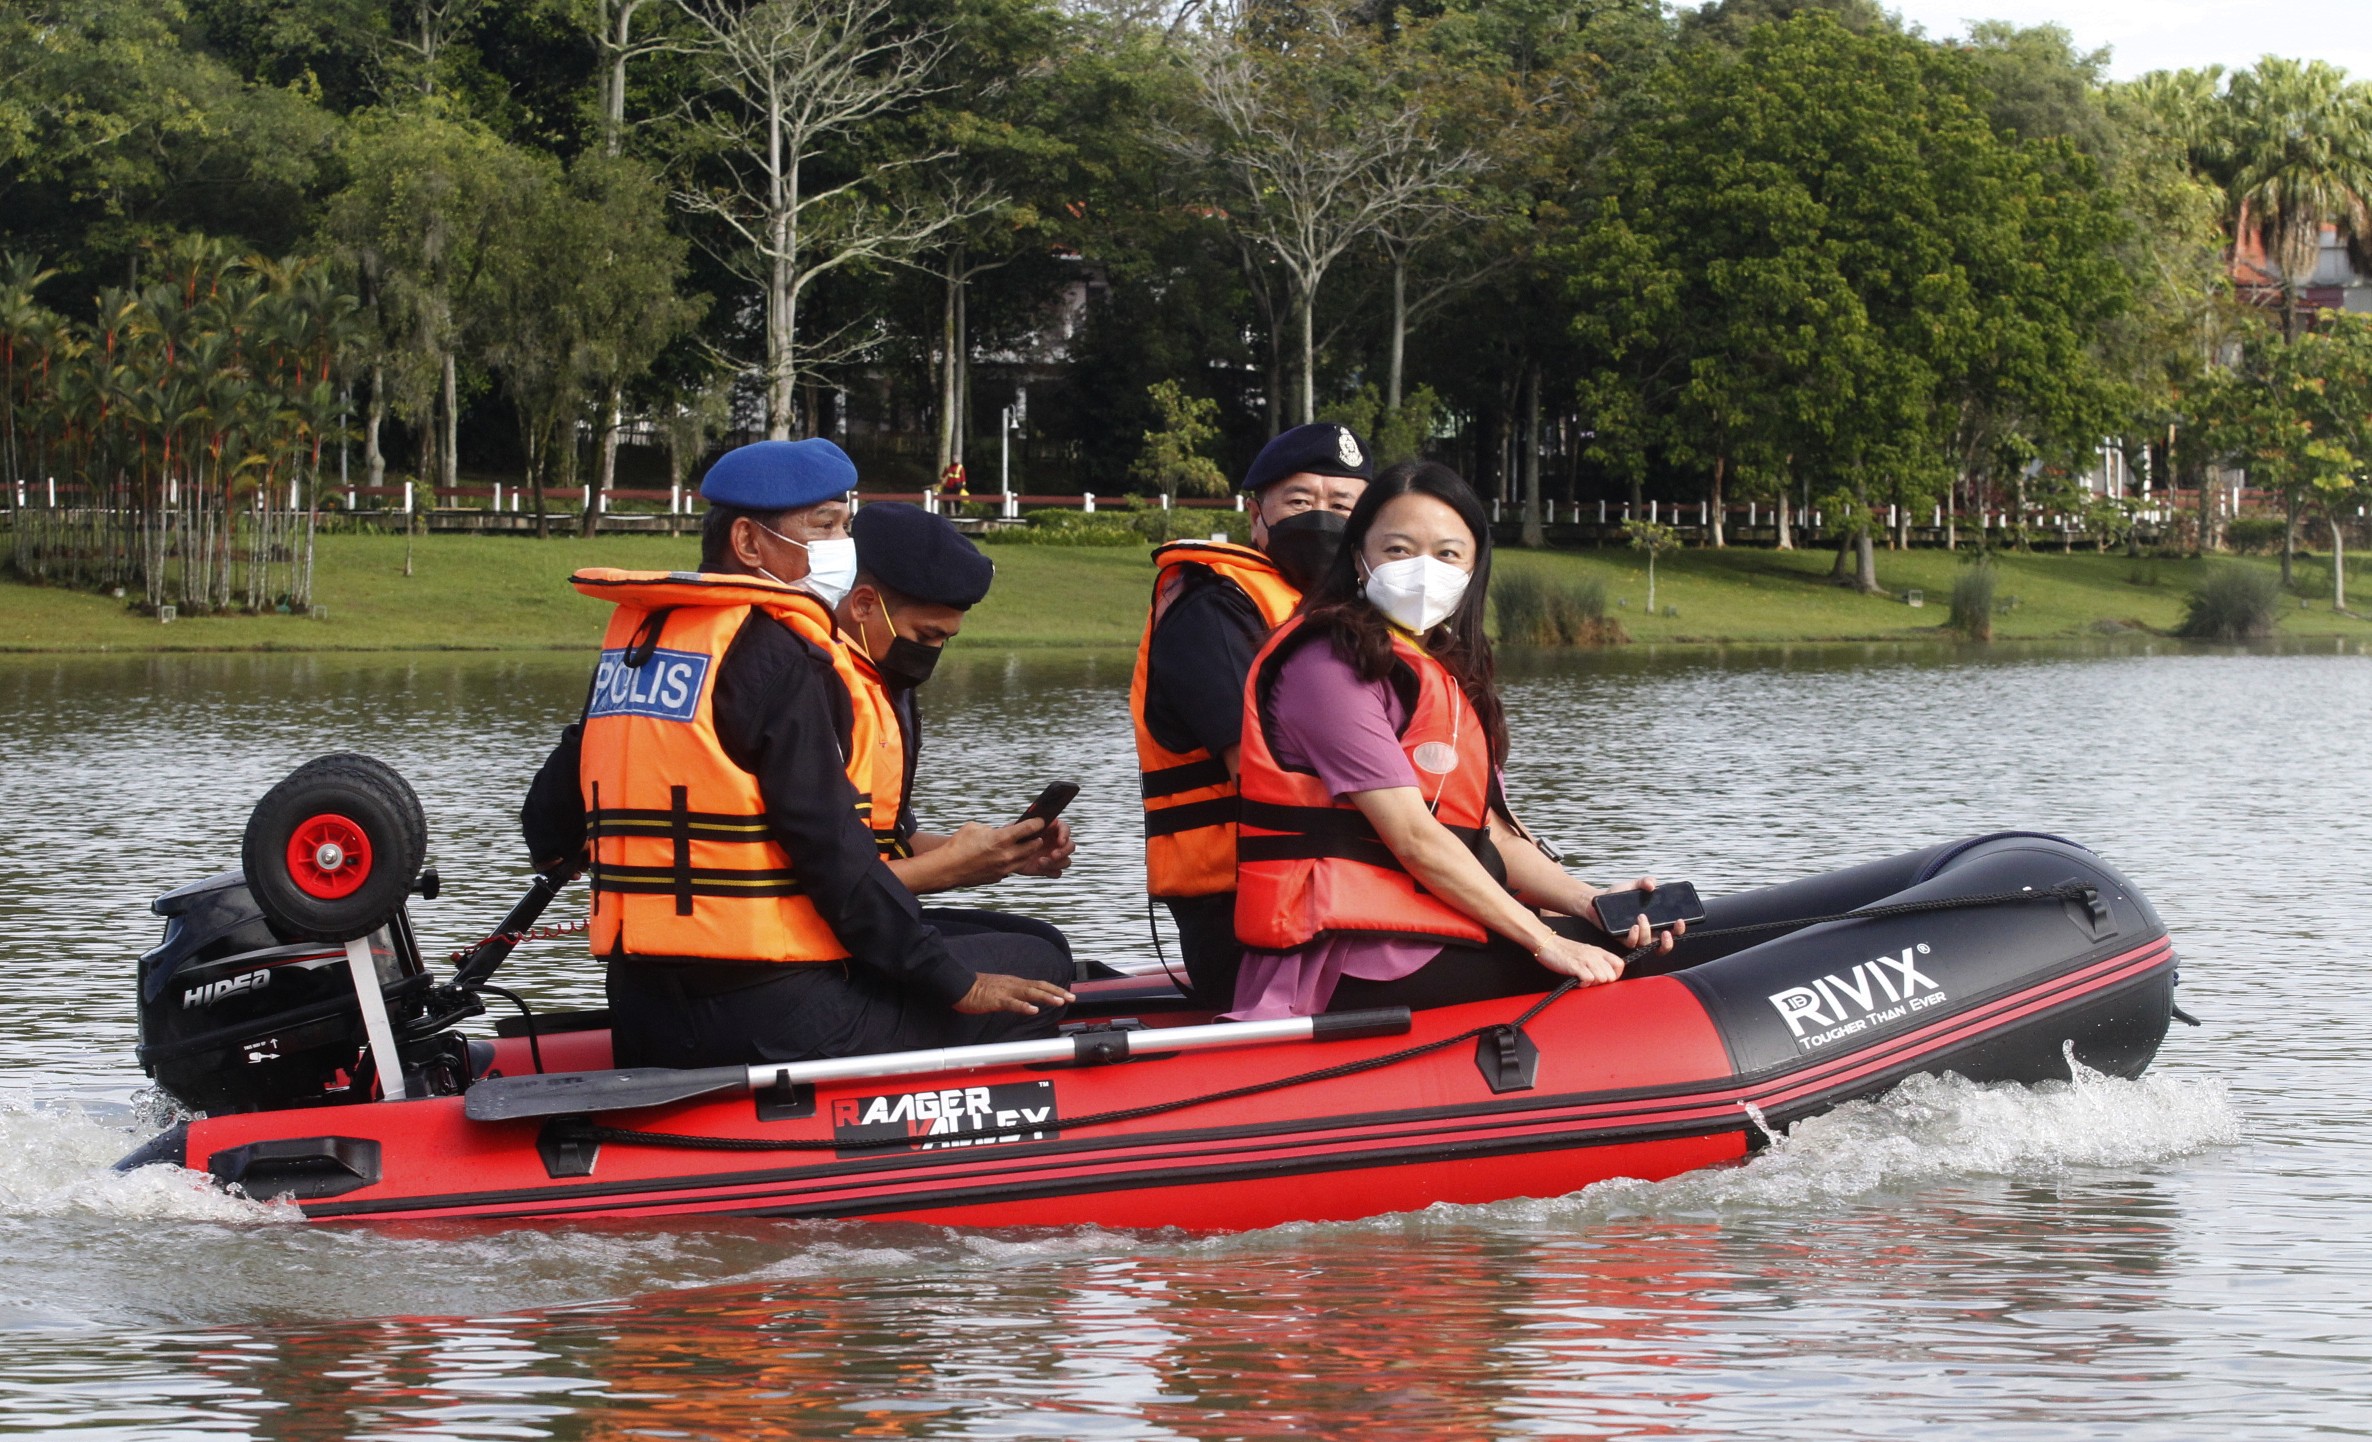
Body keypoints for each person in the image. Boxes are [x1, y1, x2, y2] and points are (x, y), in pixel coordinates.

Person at [520, 439, 1074, 1069]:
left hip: (643, 1004)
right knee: (1041, 970)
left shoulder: (646, 642)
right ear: (750, 545)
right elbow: (834, 864)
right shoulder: (783, 656)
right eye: (825, 525)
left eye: (845, 524)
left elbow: (549, 828)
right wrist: (959, 985)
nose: (844, 544)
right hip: (770, 1011)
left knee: (1027, 946)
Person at [1228, 460, 1678, 1019]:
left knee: (1647, 939)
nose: (1422, 569)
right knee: (1640, 963)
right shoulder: (1326, 666)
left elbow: (1487, 837)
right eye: (1397, 550)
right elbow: (1414, 838)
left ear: (1472, 568)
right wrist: (1547, 940)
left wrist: (1591, 904)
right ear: (1358, 558)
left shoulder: (1437, 668)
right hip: (1344, 956)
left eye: (1447, 554)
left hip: (1422, 930)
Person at [1130, 421, 1373, 1003]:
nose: (1321, 517)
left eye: (1342, 504)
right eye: (1299, 501)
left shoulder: (1346, 614)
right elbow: (1262, 776)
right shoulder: (1212, 607)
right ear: (1255, 513)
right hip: (1250, 918)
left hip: (1342, 890)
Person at [834, 501, 1087, 971]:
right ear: (863, 604)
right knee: (1039, 961)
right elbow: (834, 880)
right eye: (925, 634)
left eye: (945, 640)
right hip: (824, 932)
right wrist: (955, 868)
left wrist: (1004, 855)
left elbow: (893, 841)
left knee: (1041, 939)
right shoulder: (818, 685)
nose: (931, 654)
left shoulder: (889, 688)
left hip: (861, 915)